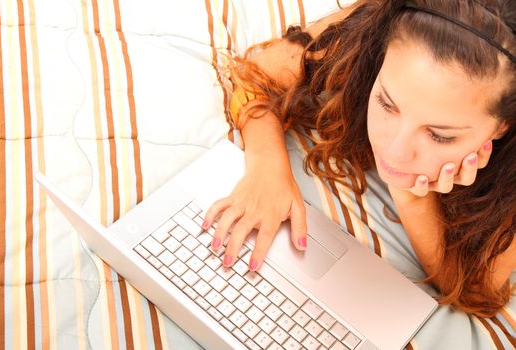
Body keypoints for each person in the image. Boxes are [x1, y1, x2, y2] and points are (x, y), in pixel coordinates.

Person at [202, 0, 516, 317]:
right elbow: (258, 75)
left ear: (504, 125)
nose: (395, 150)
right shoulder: (386, 29)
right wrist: (267, 168)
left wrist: (412, 197)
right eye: (386, 103)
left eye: (439, 135)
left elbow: (478, 290)